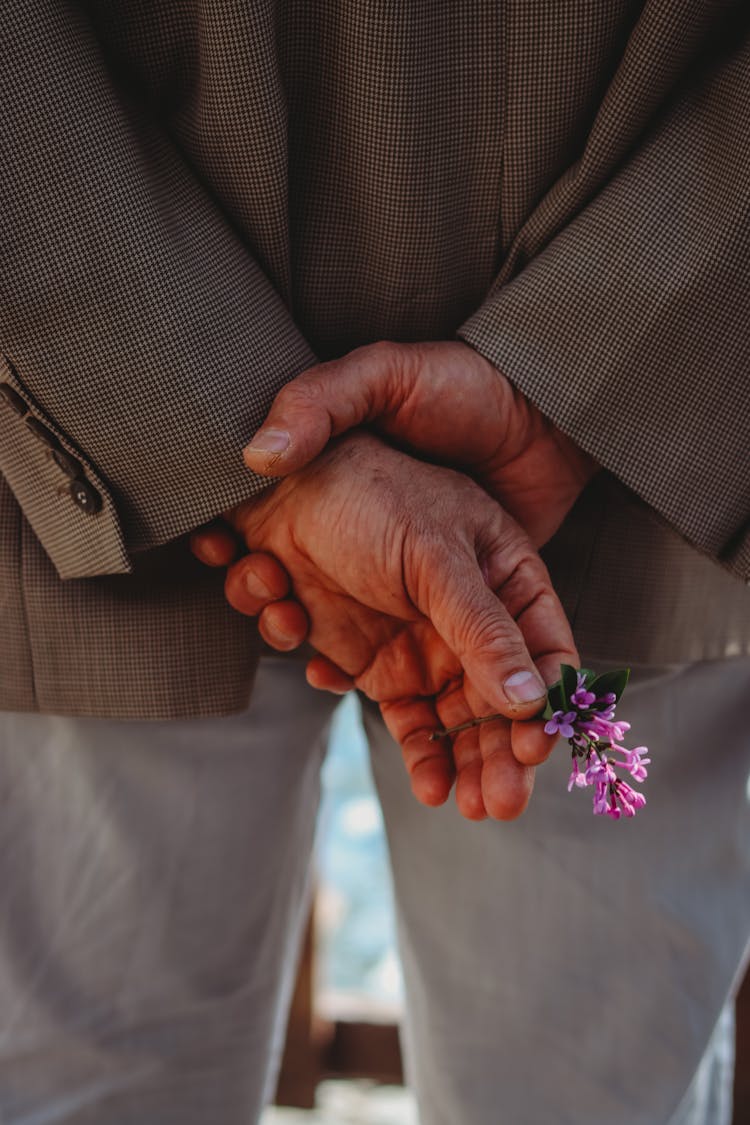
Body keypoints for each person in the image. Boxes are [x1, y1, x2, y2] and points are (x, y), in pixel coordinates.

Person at [1, 3, 749, 1123]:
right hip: (98, 462)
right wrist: (228, 439)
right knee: (92, 1080)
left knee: (592, 1089)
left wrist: (580, 381)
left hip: (633, 461)